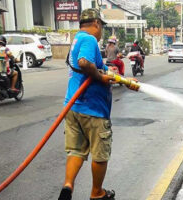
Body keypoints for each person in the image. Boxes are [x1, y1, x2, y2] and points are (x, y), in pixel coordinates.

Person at [58, 9, 137, 200]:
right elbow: (84, 63)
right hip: (92, 109)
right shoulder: (90, 39)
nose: (101, 32)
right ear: (96, 24)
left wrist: (103, 70)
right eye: (101, 27)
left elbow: (84, 64)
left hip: (73, 107)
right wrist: (101, 78)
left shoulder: (77, 39)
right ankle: (97, 193)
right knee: (100, 154)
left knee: (76, 151)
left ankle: (67, 188)